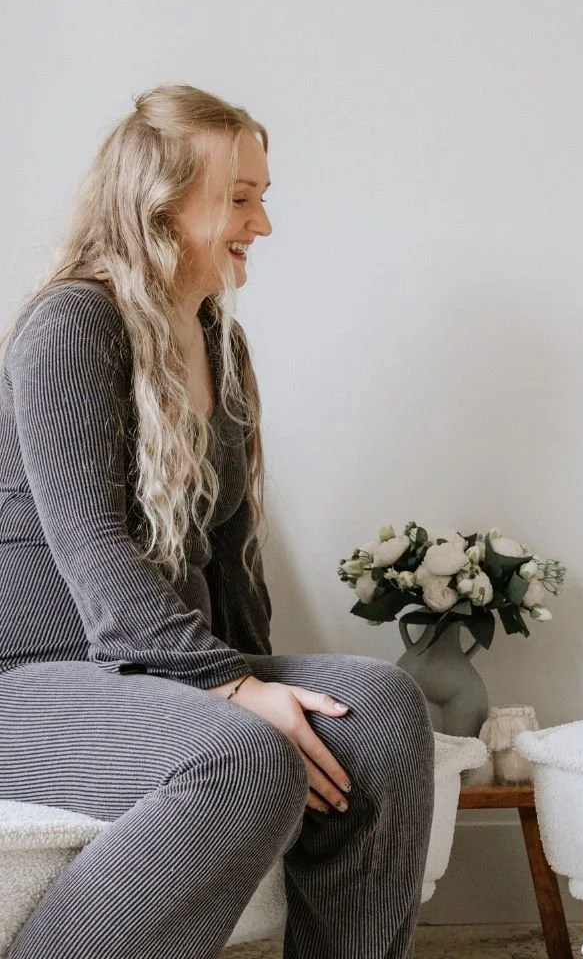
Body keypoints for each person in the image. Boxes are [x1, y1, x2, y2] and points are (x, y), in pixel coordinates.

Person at [0, 85, 434, 959]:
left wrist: (260, 679)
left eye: (262, 198)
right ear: (158, 203)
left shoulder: (220, 343)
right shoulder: (73, 323)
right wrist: (234, 694)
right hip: (30, 679)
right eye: (240, 198)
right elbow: (92, 546)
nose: (263, 224)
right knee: (240, 760)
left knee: (383, 711)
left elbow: (231, 559)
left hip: (149, 672)